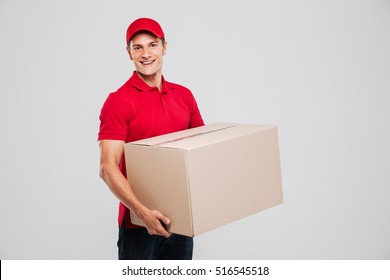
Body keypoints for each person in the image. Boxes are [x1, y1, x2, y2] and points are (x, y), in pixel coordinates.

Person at [98, 17, 204, 260]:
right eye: (138, 47)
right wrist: (143, 213)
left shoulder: (184, 96)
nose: (146, 53)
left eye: (152, 45)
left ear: (164, 47)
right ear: (129, 53)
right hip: (138, 225)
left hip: (181, 221)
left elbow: (199, 152)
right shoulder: (119, 101)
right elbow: (107, 167)